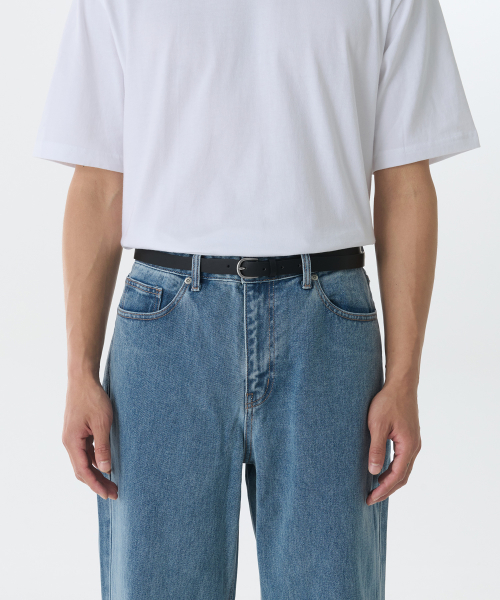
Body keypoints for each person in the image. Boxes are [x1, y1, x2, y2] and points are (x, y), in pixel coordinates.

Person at [33, 0, 479, 598]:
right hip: (166, 329)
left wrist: (404, 377)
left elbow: (405, 180)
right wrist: (78, 373)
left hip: (327, 326)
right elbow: (98, 182)